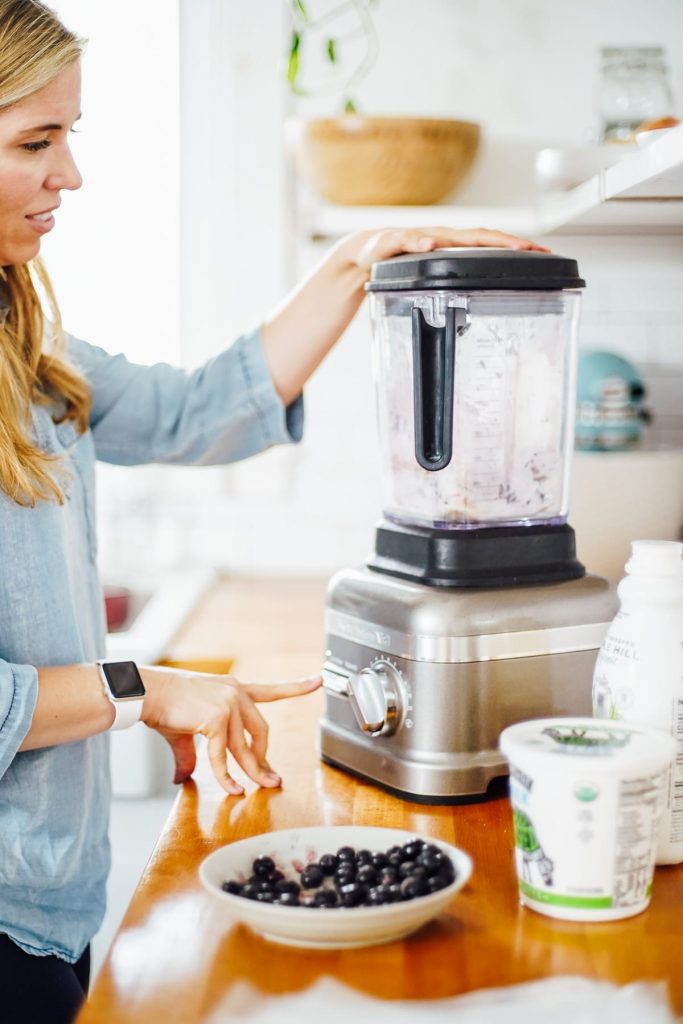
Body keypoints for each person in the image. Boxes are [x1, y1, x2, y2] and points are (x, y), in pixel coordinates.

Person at [0, 1, 549, 1020]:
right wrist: (140, 688)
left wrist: (361, 256)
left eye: (69, 136)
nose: (69, 174)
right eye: (36, 141)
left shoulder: (28, 356)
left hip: (46, 905)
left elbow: (196, 409)